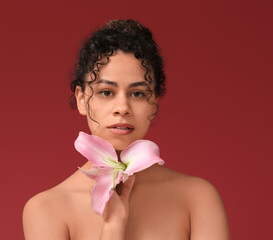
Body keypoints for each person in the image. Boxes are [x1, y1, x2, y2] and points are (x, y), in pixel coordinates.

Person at [22, 19, 230, 240]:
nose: (122, 108)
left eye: (137, 93)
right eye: (106, 92)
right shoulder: (46, 209)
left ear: (155, 102)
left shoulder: (197, 199)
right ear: (82, 99)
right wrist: (113, 227)